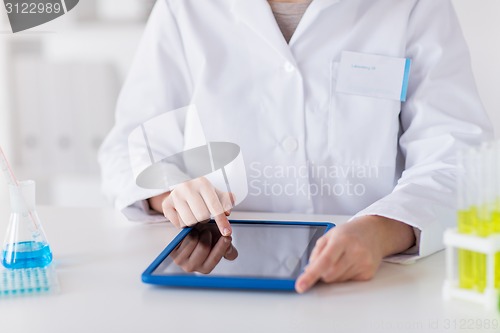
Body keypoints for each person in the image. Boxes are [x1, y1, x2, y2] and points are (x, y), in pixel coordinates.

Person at [98, 0, 493, 293]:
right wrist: (171, 190)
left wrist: (379, 232)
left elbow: (458, 155)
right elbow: (126, 150)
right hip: (220, 276)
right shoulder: (184, 8)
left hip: (372, 282)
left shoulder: (413, 5)